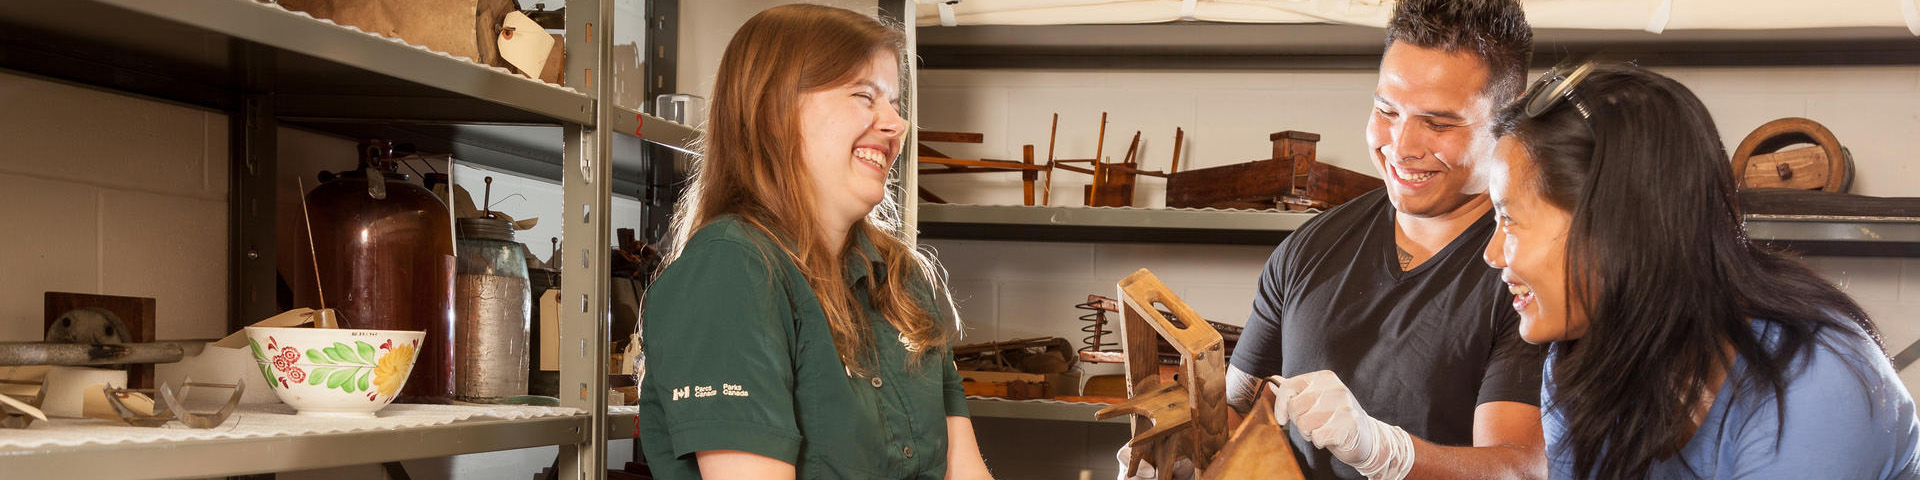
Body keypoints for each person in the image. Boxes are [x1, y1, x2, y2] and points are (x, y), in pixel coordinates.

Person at [1484, 62, 1920, 479]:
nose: (1492, 253)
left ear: (1618, 224)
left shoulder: (1813, 386)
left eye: (1511, 219)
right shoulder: (1583, 363)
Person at [1171, 1, 1549, 479]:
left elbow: (1521, 469)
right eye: (1387, 109)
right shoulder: (1308, 249)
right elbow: (1236, 412)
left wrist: (1383, 452)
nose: (1401, 146)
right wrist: (1177, 457)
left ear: (1509, 118)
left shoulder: (1530, 273)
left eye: (1438, 123)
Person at [636, 5, 993, 479]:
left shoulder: (901, 277)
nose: (896, 125)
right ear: (774, 112)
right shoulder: (733, 270)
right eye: (865, 97)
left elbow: (963, 472)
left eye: (894, 104)